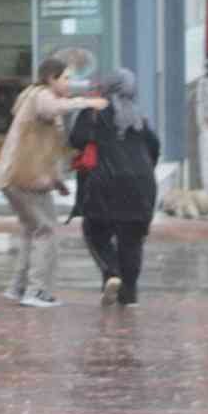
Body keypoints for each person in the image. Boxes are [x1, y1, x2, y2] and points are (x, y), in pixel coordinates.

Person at [0, 57, 107, 308]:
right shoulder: (40, 96)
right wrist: (88, 102)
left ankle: (19, 287)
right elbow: (52, 108)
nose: (69, 83)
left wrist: (56, 180)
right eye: (65, 78)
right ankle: (37, 292)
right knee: (45, 230)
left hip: (21, 176)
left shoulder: (33, 98)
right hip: (23, 177)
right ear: (50, 79)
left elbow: (46, 150)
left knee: (31, 230)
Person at [69, 69, 161, 308]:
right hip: (142, 185)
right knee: (131, 241)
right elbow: (155, 146)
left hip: (105, 183)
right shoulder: (140, 116)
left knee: (95, 231)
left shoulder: (94, 112)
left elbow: (76, 139)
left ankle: (111, 273)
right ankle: (128, 297)